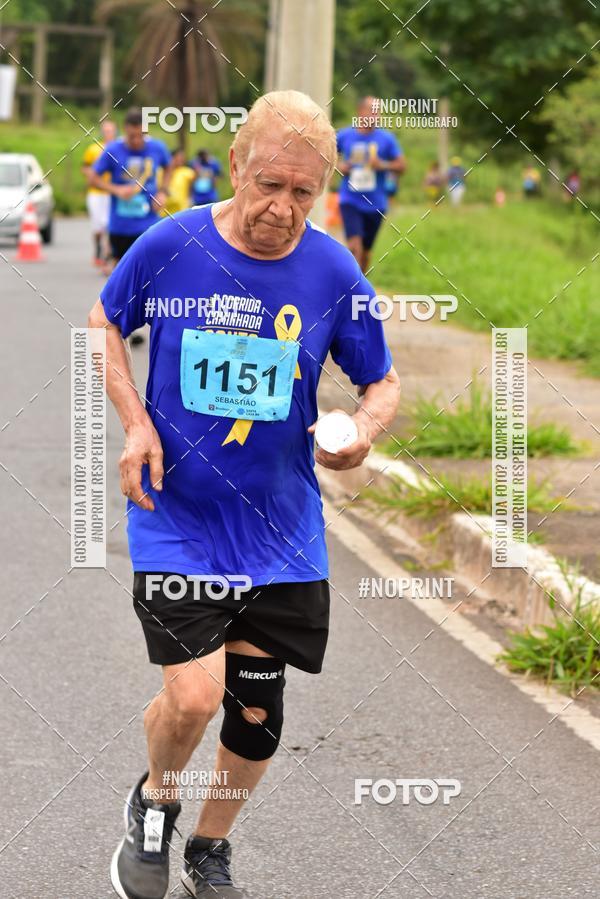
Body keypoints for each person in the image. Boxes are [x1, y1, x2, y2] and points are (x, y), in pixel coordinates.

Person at [88, 89, 400, 899]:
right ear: (235, 166)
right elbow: (103, 321)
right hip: (177, 516)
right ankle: (156, 801)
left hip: (282, 527)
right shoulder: (171, 243)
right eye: (269, 183)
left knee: (257, 714)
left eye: (303, 191)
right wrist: (135, 424)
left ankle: (209, 848)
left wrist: (361, 430)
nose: (282, 207)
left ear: (323, 188)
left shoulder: (333, 267)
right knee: (192, 695)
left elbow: (383, 380)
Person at [88, 107, 172, 344]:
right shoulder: (114, 149)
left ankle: (145, 327)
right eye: (131, 136)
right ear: (125, 131)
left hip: (148, 224)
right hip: (120, 226)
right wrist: (116, 190)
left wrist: (163, 191)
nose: (136, 141)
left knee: (151, 275)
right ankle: (118, 322)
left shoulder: (158, 148)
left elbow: (169, 167)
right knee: (121, 276)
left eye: (140, 136)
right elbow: (93, 177)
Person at [336, 96, 406, 272]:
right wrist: (340, 166)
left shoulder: (387, 139)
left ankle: (361, 283)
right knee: (354, 245)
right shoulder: (345, 135)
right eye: (372, 110)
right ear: (360, 112)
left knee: (366, 251)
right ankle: (351, 286)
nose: (376, 115)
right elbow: (326, 157)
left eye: (378, 111)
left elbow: (402, 165)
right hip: (349, 199)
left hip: (376, 203)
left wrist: (383, 165)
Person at [82, 119, 117, 267]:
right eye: (106, 130)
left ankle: (108, 254)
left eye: (111, 130)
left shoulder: (119, 148)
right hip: (96, 193)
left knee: (109, 224)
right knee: (98, 226)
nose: (108, 133)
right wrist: (93, 176)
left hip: (113, 193)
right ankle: (98, 249)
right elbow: (85, 167)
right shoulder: (93, 149)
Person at [162, 148, 195, 215]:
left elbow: (192, 186)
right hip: (164, 210)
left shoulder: (186, 172)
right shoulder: (163, 172)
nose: (180, 159)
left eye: (182, 158)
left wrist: (190, 199)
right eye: (177, 157)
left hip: (182, 209)